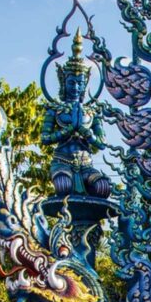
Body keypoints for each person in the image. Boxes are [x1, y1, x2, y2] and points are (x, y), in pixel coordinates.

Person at [41, 29, 112, 198]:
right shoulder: (54, 110)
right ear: (64, 82)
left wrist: (84, 131)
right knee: (64, 186)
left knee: (103, 187)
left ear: (85, 85)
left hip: (86, 164)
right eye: (71, 82)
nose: (75, 87)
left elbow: (102, 143)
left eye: (80, 84)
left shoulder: (91, 112)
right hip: (62, 162)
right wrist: (68, 130)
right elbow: (45, 138)